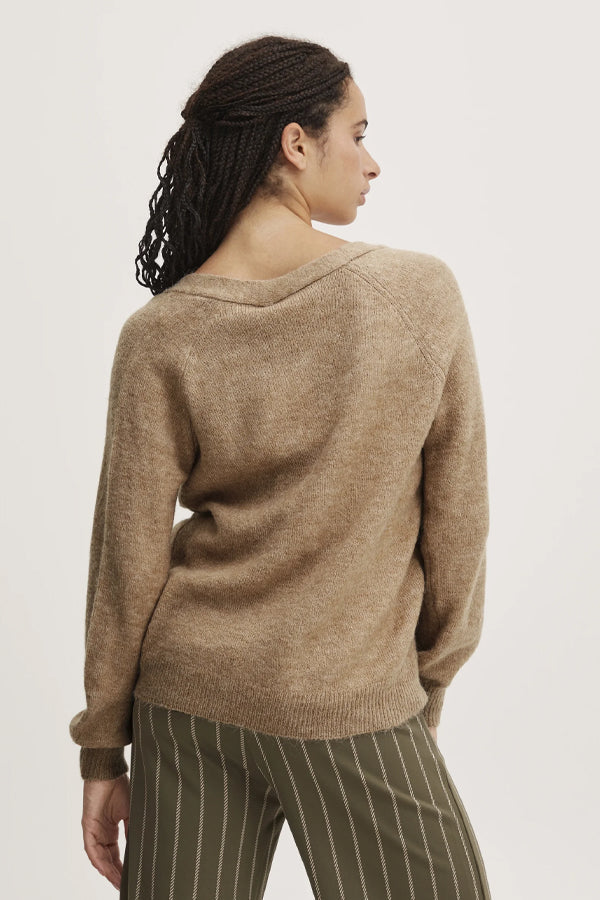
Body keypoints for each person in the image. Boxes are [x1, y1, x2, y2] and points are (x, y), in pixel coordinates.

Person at [69, 34, 492, 900]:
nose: (371, 163)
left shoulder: (160, 333)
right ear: (296, 143)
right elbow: (459, 523)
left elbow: (124, 563)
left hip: (187, 706)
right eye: (358, 134)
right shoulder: (416, 297)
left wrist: (104, 749)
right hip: (350, 699)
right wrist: (424, 686)